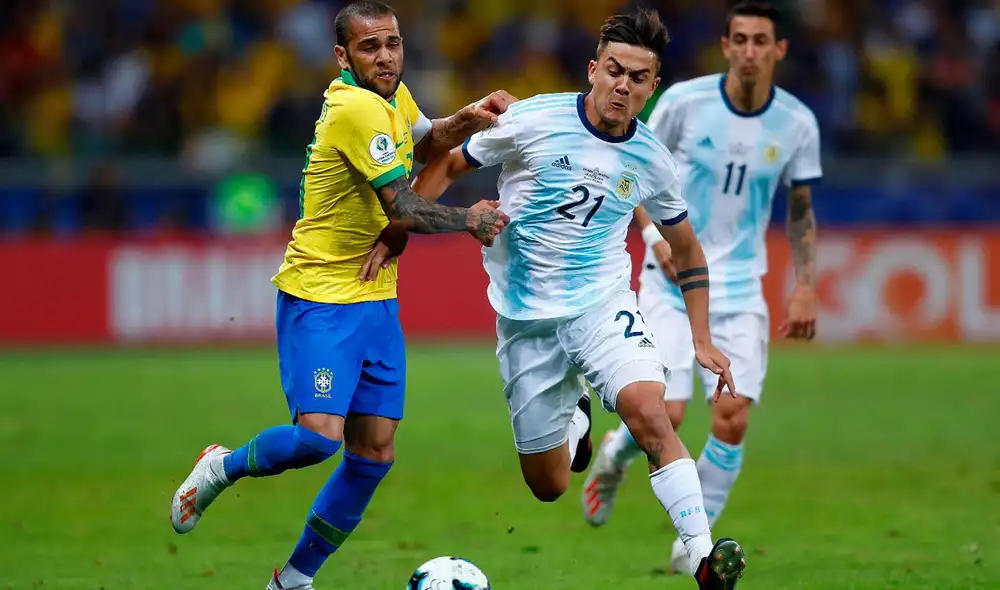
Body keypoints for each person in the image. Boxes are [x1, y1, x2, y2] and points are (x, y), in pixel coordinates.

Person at [168, 2, 514, 589]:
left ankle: (293, 580)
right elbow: (403, 205)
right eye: (369, 46)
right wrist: (468, 219)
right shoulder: (355, 108)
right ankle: (220, 466)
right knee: (316, 439)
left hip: (374, 297)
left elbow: (425, 141)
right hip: (321, 294)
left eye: (392, 43)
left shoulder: (390, 97)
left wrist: (469, 118)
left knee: (374, 453)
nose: (385, 56)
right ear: (342, 56)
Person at [412, 9, 747, 589]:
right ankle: (577, 418)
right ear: (593, 70)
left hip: (601, 304)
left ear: (651, 86)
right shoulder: (533, 119)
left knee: (650, 412)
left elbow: (687, 250)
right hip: (526, 319)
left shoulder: (651, 159)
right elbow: (449, 162)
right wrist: (401, 228)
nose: (623, 86)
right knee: (549, 485)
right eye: (614, 71)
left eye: (637, 78)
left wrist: (701, 338)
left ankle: (701, 556)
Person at [580, 1, 822, 575]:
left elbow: (801, 208)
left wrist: (805, 284)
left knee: (732, 418)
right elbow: (631, 162)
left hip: (739, 287)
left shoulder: (797, 123)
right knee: (667, 409)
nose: (749, 51)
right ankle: (615, 454)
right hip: (671, 279)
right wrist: (652, 235)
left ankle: (695, 552)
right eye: (740, 39)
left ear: (778, 50)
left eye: (761, 41)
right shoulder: (685, 103)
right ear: (726, 45)